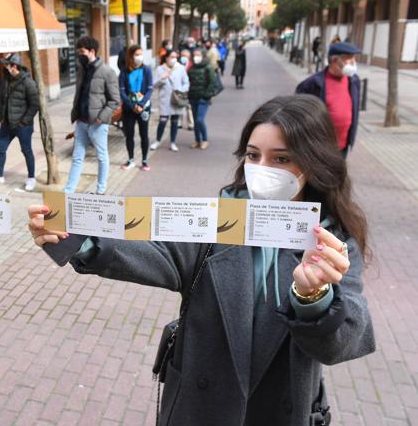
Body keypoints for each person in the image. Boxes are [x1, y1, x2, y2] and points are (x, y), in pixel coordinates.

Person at [28, 94, 375, 426]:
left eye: (281, 159)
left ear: (314, 164)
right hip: (201, 408)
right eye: (253, 156)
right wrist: (76, 235)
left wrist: (313, 297)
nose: (261, 169)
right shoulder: (219, 221)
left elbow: (343, 341)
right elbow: (152, 249)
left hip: (280, 409)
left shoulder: (332, 243)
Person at [64, 36, 120, 195]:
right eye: (78, 52)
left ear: (92, 51)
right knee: (77, 157)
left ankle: (100, 190)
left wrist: (101, 118)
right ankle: (69, 191)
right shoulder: (82, 69)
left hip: (97, 124)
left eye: (82, 51)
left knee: (101, 157)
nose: (79, 55)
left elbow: (115, 100)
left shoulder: (107, 71)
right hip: (81, 122)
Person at [296, 42, 361, 158]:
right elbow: (298, 116)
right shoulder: (313, 84)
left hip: (343, 146)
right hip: (319, 148)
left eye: (354, 59)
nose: (353, 63)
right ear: (335, 61)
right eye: (349, 59)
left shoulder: (354, 81)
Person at [0, 53, 39, 191]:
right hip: (6, 124)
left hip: (22, 126)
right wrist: (0, 116)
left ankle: (31, 178)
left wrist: (24, 122)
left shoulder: (28, 82)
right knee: (0, 148)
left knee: (26, 151)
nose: (5, 67)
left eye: (7, 65)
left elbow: (34, 105)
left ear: (14, 66)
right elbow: (2, 100)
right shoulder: (6, 80)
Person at [119, 45, 154, 171]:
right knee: (129, 135)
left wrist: (140, 105)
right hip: (129, 109)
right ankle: (131, 159)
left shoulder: (147, 69)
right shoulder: (124, 71)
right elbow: (122, 92)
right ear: (130, 56)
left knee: (144, 134)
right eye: (137, 54)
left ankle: (144, 160)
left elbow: (150, 89)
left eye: (141, 54)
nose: (139, 57)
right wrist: (132, 105)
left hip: (144, 108)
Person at [151, 50, 189, 152]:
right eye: (171, 57)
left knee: (175, 121)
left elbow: (186, 82)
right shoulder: (160, 69)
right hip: (165, 100)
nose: (174, 59)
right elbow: (154, 85)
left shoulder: (180, 68)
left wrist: (181, 90)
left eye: (175, 57)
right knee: (163, 121)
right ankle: (157, 141)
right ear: (166, 58)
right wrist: (162, 79)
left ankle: (172, 142)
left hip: (177, 99)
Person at [187, 49, 217, 150]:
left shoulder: (208, 67)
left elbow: (212, 83)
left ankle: (204, 140)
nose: (196, 56)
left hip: (203, 98)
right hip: (192, 97)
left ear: (203, 56)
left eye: (198, 54)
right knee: (195, 121)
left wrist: (206, 95)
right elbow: (188, 82)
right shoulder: (191, 68)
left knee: (200, 119)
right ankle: (197, 140)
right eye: (194, 55)